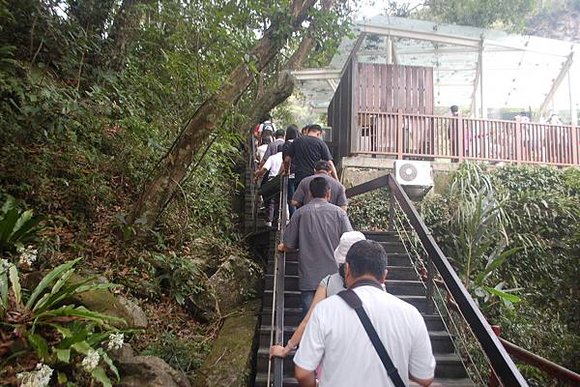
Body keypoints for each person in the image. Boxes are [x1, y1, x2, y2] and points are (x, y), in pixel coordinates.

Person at [294, 240, 436, 387]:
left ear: (347, 269)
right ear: (384, 275)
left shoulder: (325, 310)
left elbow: (303, 372)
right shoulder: (410, 314)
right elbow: (424, 377)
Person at [270, 231, 366, 358]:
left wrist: (286, 349)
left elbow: (309, 319)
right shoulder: (377, 286)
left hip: (334, 355)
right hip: (365, 355)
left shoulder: (329, 282)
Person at [278, 177, 352, 316]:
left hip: (309, 276)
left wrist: (282, 247)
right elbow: (350, 241)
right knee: (335, 316)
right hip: (334, 277)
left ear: (310, 194)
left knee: (310, 318)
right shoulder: (339, 213)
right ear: (328, 193)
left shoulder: (300, 213)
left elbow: (289, 245)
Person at [254, 147, 284, 228]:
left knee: (270, 200)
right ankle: (277, 222)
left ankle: (269, 220)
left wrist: (257, 175)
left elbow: (264, 169)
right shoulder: (287, 158)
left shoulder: (273, 157)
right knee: (279, 201)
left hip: (272, 180)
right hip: (283, 181)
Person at [282, 124, 300, 217]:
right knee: (300, 197)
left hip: (291, 173)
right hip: (300, 173)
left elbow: (286, 159)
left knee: (291, 198)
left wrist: (286, 171)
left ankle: (293, 218)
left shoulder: (287, 144)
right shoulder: (300, 143)